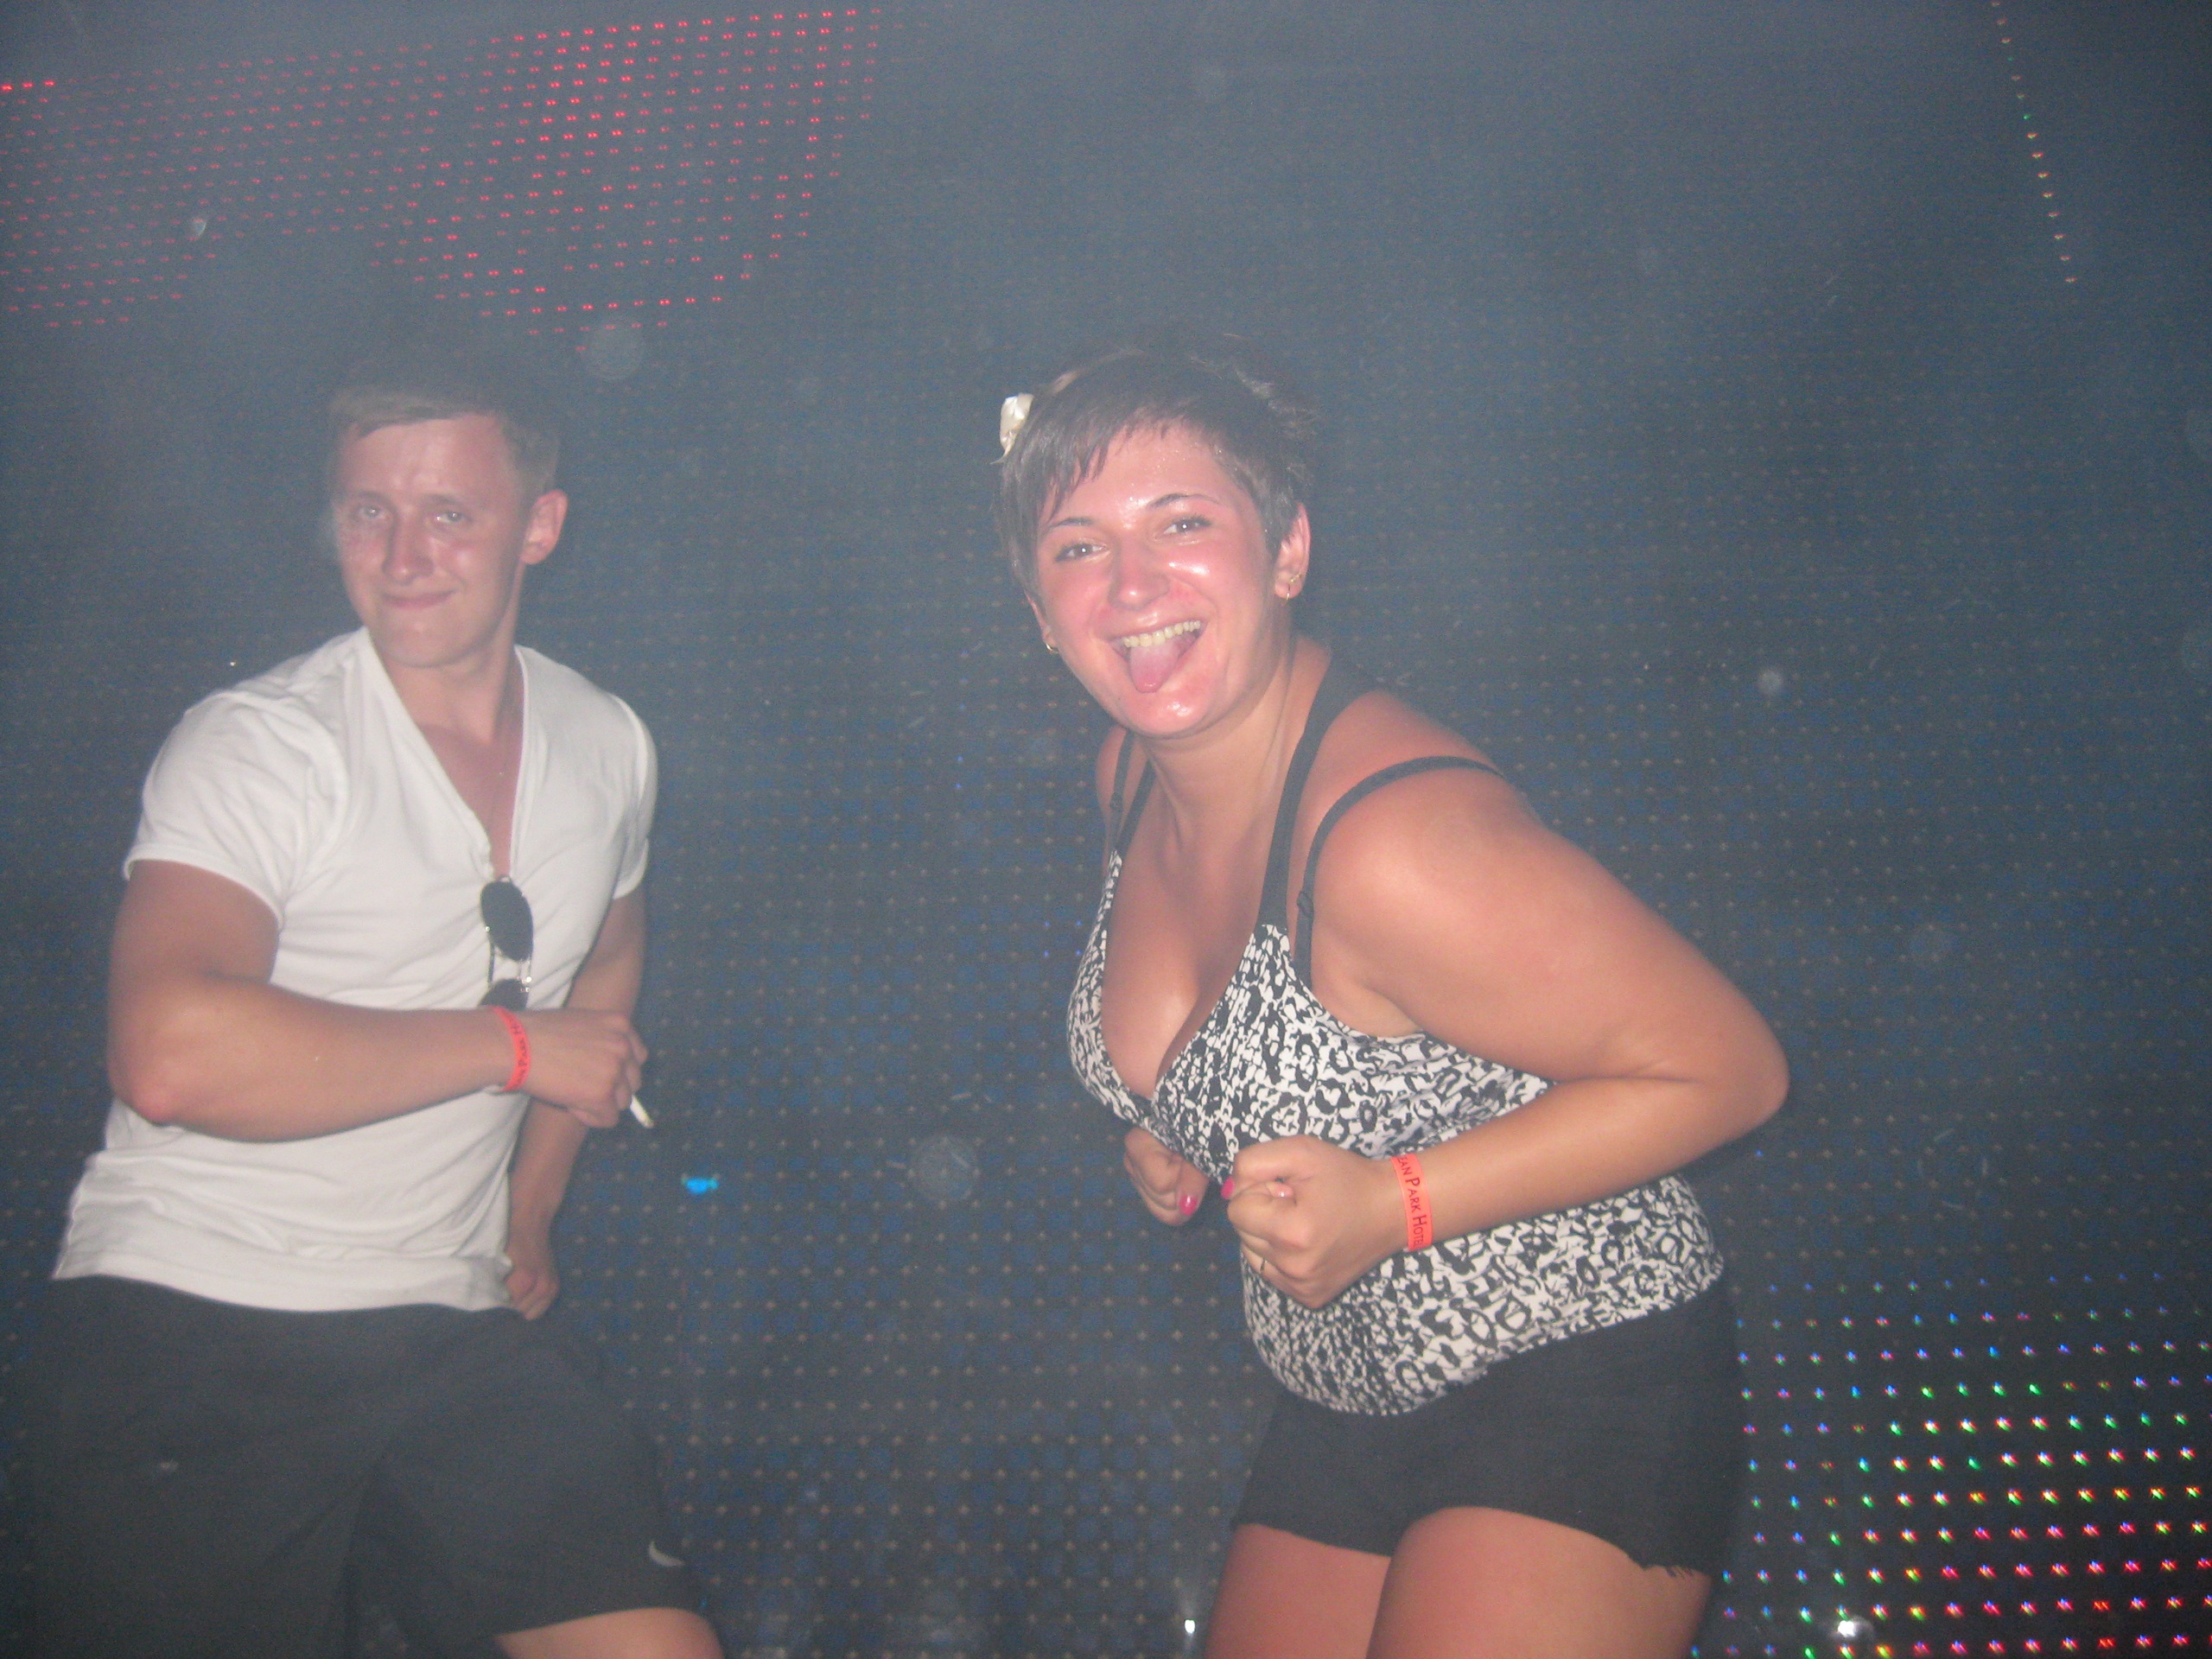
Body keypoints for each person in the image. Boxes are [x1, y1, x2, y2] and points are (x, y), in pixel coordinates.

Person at [996, 336, 1789, 1659]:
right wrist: (1178, 1124)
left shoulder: (1392, 841)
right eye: (1079, 547)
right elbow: (1264, 1033)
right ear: (1037, 606)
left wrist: (1394, 1204)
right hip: (1342, 1392)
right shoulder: (1128, 774)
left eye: (1182, 524)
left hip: (1576, 1357)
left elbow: (1728, 1068)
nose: (1131, 583)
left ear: (1287, 550)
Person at [22, 353, 722, 1659]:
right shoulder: (262, 743)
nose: (403, 555)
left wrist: (529, 1206)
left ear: (540, 526)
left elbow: (607, 960)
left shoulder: (608, 742)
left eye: (448, 512)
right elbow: (168, 1055)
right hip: (194, 1320)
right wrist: (514, 1049)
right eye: (367, 513)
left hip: (451, 1328)